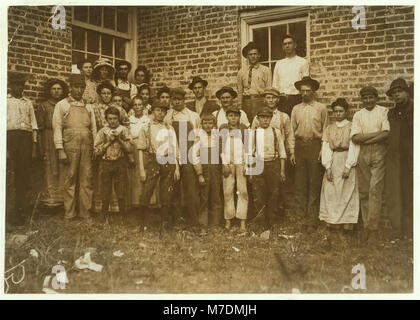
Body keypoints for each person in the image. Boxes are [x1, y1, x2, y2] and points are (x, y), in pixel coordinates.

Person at [52, 74, 97, 220]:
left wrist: (95, 147)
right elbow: (57, 127)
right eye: (76, 87)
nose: (79, 90)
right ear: (70, 88)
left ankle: (85, 213)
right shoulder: (62, 105)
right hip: (69, 146)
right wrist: (60, 149)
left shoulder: (88, 106)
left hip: (87, 147)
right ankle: (69, 213)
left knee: (86, 179)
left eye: (81, 87)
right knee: (70, 179)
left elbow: (94, 129)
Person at [351, 86, 390, 243]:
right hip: (363, 153)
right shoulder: (358, 115)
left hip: (379, 152)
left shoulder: (383, 112)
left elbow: (386, 133)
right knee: (365, 191)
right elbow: (355, 138)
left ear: (376, 98)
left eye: (370, 97)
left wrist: (367, 138)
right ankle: (367, 227)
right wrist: (376, 135)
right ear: (362, 100)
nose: (368, 100)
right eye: (365, 98)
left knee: (375, 189)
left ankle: (373, 228)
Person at [290, 76, 328, 231]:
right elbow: (292, 131)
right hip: (300, 146)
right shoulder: (296, 109)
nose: (305, 93)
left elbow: (325, 129)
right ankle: (300, 219)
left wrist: (322, 150)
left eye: (308, 91)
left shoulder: (321, 108)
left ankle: (312, 220)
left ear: (313, 92)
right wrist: (292, 151)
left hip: (314, 145)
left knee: (314, 183)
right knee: (300, 183)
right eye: (302, 91)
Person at [138, 101, 180, 230]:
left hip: (168, 160)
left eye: (163, 111)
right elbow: (141, 149)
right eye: (157, 110)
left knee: (166, 192)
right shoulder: (147, 127)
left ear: (165, 113)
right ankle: (142, 223)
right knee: (147, 190)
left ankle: (164, 223)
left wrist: (177, 167)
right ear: (153, 112)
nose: (160, 113)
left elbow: (174, 148)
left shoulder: (169, 128)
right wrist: (141, 169)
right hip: (153, 159)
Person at [319, 98, 360, 231]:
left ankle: (347, 223)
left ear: (346, 112)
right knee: (331, 191)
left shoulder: (352, 126)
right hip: (333, 159)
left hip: (347, 158)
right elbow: (326, 147)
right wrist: (328, 166)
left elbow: (354, 146)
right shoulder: (329, 128)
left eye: (340, 111)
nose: (338, 114)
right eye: (335, 111)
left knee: (347, 191)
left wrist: (349, 165)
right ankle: (331, 222)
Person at [164, 87, 201, 228]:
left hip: (189, 155)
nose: (177, 102)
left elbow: (198, 136)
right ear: (172, 101)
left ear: (184, 101)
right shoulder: (168, 116)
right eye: (175, 100)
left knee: (191, 189)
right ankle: (177, 219)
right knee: (174, 188)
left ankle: (193, 221)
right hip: (173, 155)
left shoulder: (193, 116)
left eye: (180, 100)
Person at [7, 71, 38, 227]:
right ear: (10, 86)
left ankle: (22, 211)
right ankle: (9, 212)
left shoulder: (28, 102)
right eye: (15, 85)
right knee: (11, 174)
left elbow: (34, 125)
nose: (18, 88)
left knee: (23, 175)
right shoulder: (6, 101)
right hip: (10, 137)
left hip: (25, 139)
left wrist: (33, 145)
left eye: (21, 85)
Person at [94, 107, 134, 223]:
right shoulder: (102, 131)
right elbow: (97, 151)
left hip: (120, 162)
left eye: (115, 118)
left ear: (119, 119)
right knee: (105, 189)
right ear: (106, 119)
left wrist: (119, 139)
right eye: (110, 118)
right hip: (106, 163)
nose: (112, 121)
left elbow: (129, 148)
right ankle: (104, 214)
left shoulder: (124, 130)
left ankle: (122, 215)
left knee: (121, 189)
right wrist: (109, 142)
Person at [384, 78, 413, 239]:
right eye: (394, 93)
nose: (397, 96)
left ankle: (410, 231)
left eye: (399, 92)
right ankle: (398, 229)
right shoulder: (392, 113)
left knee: (411, 193)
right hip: (396, 159)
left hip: (412, 159)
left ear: (407, 92)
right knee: (396, 193)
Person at [249, 107, 287, 230]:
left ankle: (271, 220)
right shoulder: (253, 132)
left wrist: (281, 171)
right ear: (258, 119)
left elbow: (282, 151)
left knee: (273, 193)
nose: (265, 120)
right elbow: (250, 152)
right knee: (258, 193)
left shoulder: (276, 132)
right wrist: (250, 171)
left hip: (273, 164)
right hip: (258, 164)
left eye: (267, 117)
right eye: (262, 118)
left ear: (271, 119)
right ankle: (261, 220)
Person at [35, 78, 68, 208]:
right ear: (49, 91)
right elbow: (40, 128)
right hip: (48, 137)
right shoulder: (44, 106)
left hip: (62, 137)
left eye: (59, 89)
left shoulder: (65, 105)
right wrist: (41, 145)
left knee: (62, 166)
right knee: (50, 167)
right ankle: (50, 200)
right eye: (53, 89)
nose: (56, 91)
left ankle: (62, 200)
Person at [219, 105, 249, 232]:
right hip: (228, 164)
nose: (233, 118)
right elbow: (220, 148)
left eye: (236, 116)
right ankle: (228, 220)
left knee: (242, 191)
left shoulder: (243, 128)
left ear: (239, 117)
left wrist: (246, 164)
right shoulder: (223, 128)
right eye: (231, 115)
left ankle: (242, 221)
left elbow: (248, 148)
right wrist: (224, 164)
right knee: (227, 191)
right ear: (227, 117)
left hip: (241, 163)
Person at [192, 114, 223, 229]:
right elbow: (194, 155)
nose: (208, 125)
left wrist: (224, 165)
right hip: (204, 169)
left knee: (216, 196)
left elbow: (221, 152)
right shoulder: (199, 137)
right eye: (205, 123)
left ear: (214, 124)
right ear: (202, 124)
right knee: (204, 197)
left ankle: (215, 224)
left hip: (215, 169)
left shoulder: (217, 136)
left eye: (210, 123)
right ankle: (203, 224)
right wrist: (199, 174)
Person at [272, 34, 309, 116]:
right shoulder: (279, 63)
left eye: (290, 43)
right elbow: (275, 84)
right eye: (285, 44)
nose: (287, 46)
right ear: (282, 47)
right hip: (282, 100)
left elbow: (305, 83)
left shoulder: (302, 62)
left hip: (296, 98)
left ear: (295, 45)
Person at [237, 41, 272, 122]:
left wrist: (267, 106)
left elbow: (268, 89)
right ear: (247, 56)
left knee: (259, 126)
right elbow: (239, 91)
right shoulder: (241, 72)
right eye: (250, 54)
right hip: (246, 102)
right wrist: (240, 108)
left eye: (255, 54)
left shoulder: (265, 70)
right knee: (246, 126)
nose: (253, 56)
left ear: (259, 55)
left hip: (260, 101)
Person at [128, 96, 150, 209]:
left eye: (140, 104)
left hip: (144, 149)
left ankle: (145, 203)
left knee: (144, 174)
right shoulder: (129, 120)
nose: (137, 107)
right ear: (133, 107)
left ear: (143, 106)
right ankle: (135, 204)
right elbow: (127, 134)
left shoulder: (147, 120)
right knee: (134, 176)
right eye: (135, 105)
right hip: (132, 148)